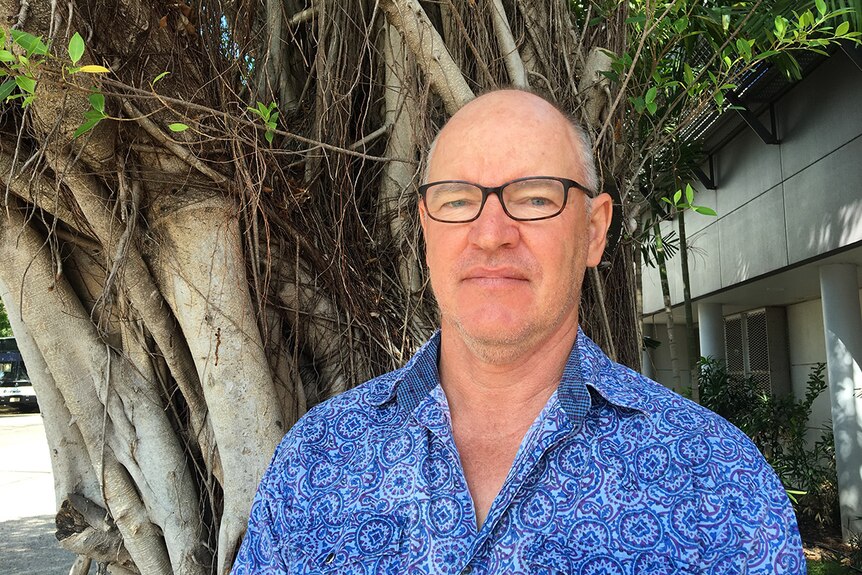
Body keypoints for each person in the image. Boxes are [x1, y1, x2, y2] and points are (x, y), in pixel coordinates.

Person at [230, 90, 804, 574]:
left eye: (534, 197)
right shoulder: (315, 460)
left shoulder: (718, 480)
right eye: (457, 201)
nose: (491, 234)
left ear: (594, 231)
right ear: (426, 232)